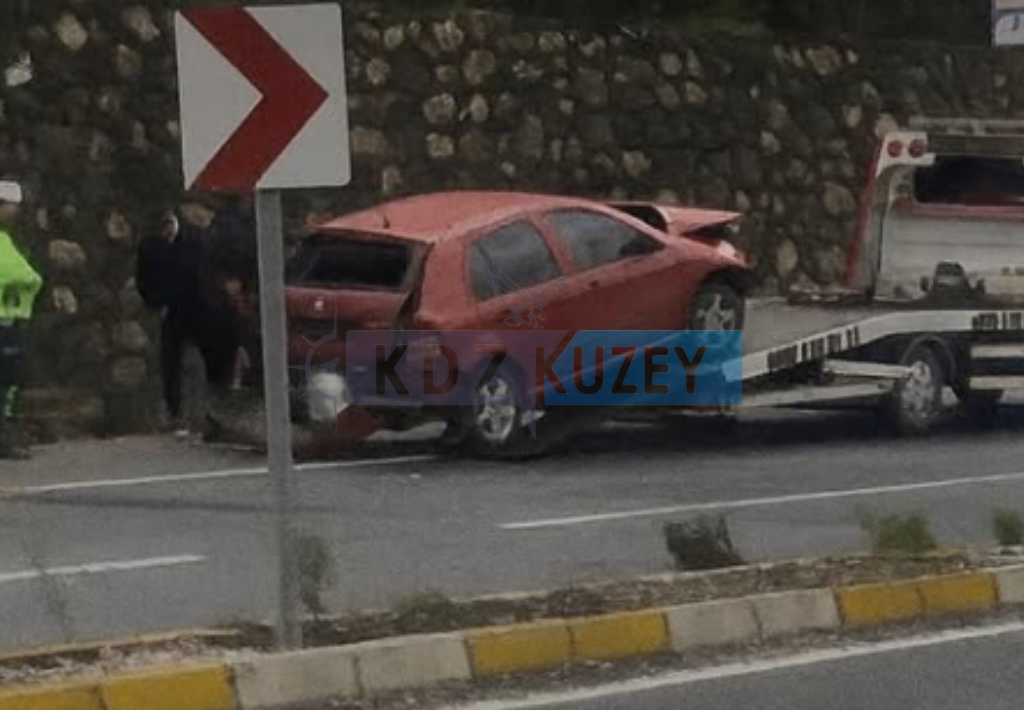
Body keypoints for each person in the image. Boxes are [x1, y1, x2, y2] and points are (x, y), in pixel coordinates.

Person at [136, 207, 240, 439]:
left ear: (171, 225)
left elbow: (203, 274)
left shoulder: (195, 240)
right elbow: (144, 279)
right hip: (172, 311)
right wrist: (157, 303)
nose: (163, 236)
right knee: (171, 364)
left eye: (165, 230)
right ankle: (177, 415)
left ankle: (212, 415)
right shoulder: (149, 246)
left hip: (200, 310)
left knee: (210, 362)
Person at [0, 180, 43, 459]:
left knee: (10, 380)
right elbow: (23, 275)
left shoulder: (6, 239)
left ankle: (5, 435)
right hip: (4, 320)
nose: (14, 211)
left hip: (9, 319)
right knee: (6, 380)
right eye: (10, 206)